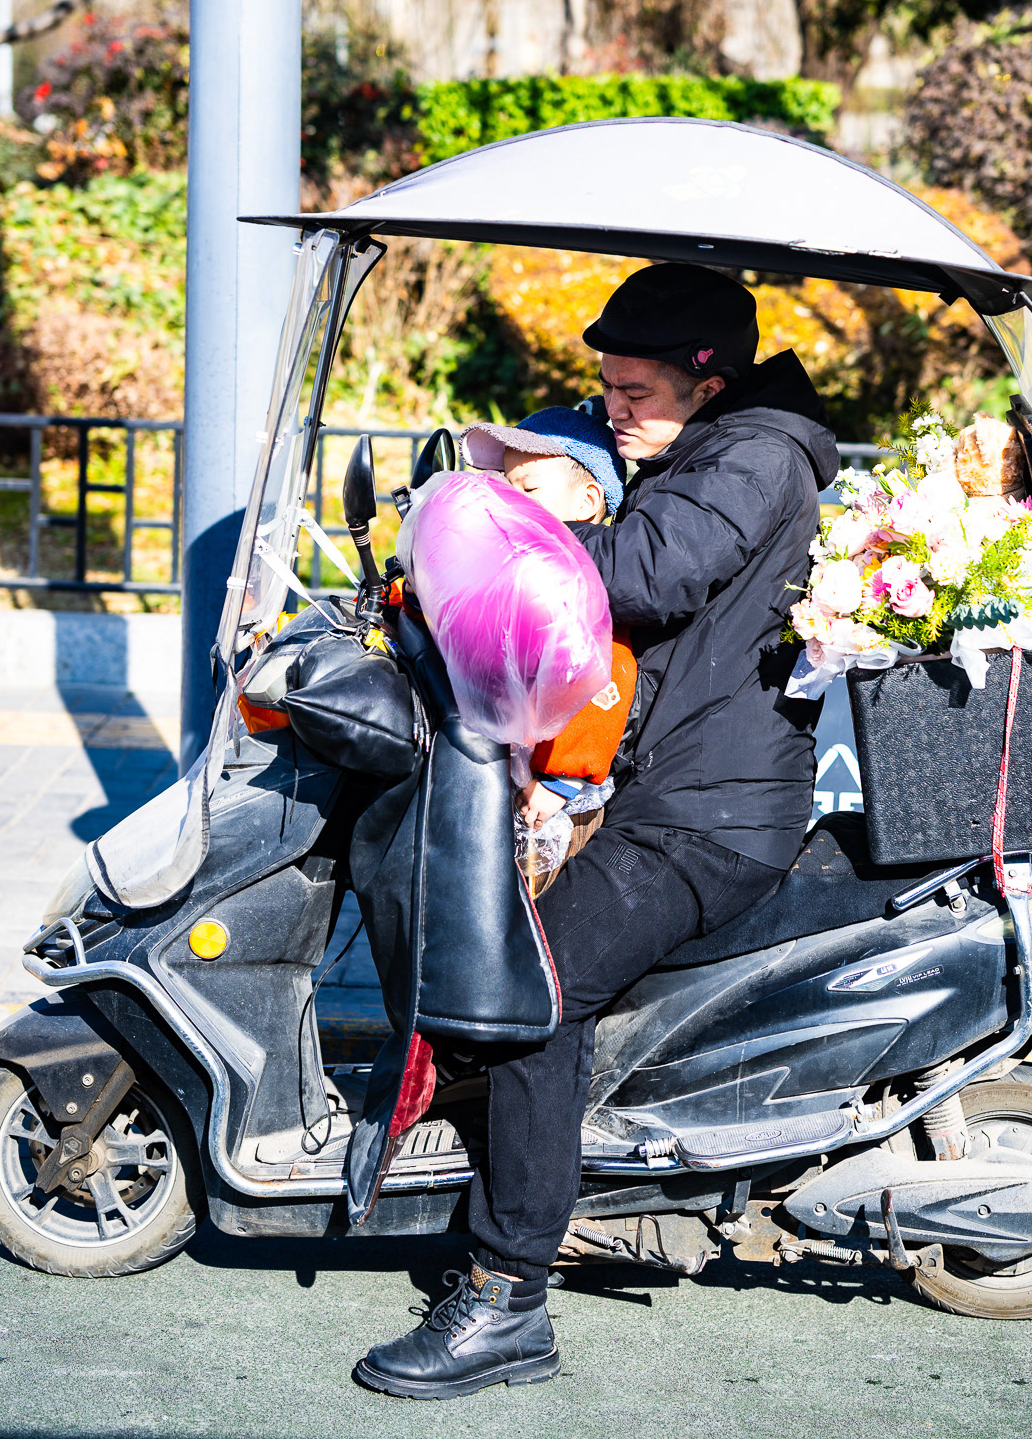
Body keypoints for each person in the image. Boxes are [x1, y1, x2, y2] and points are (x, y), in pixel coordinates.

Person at [356, 264, 839, 1400]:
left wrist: (521, 525)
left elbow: (646, 573)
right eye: (607, 387)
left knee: (534, 993)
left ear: (705, 376)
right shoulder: (708, 443)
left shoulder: (755, 452)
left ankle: (508, 1297)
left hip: (707, 815)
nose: (614, 406)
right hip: (662, 784)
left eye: (634, 387)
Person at [461, 407, 637, 873]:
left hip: (558, 792)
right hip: (511, 766)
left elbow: (607, 672)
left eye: (530, 490)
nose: (512, 502)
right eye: (507, 487)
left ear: (586, 502)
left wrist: (561, 778)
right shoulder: (523, 566)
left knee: (543, 897)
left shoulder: (583, 582)